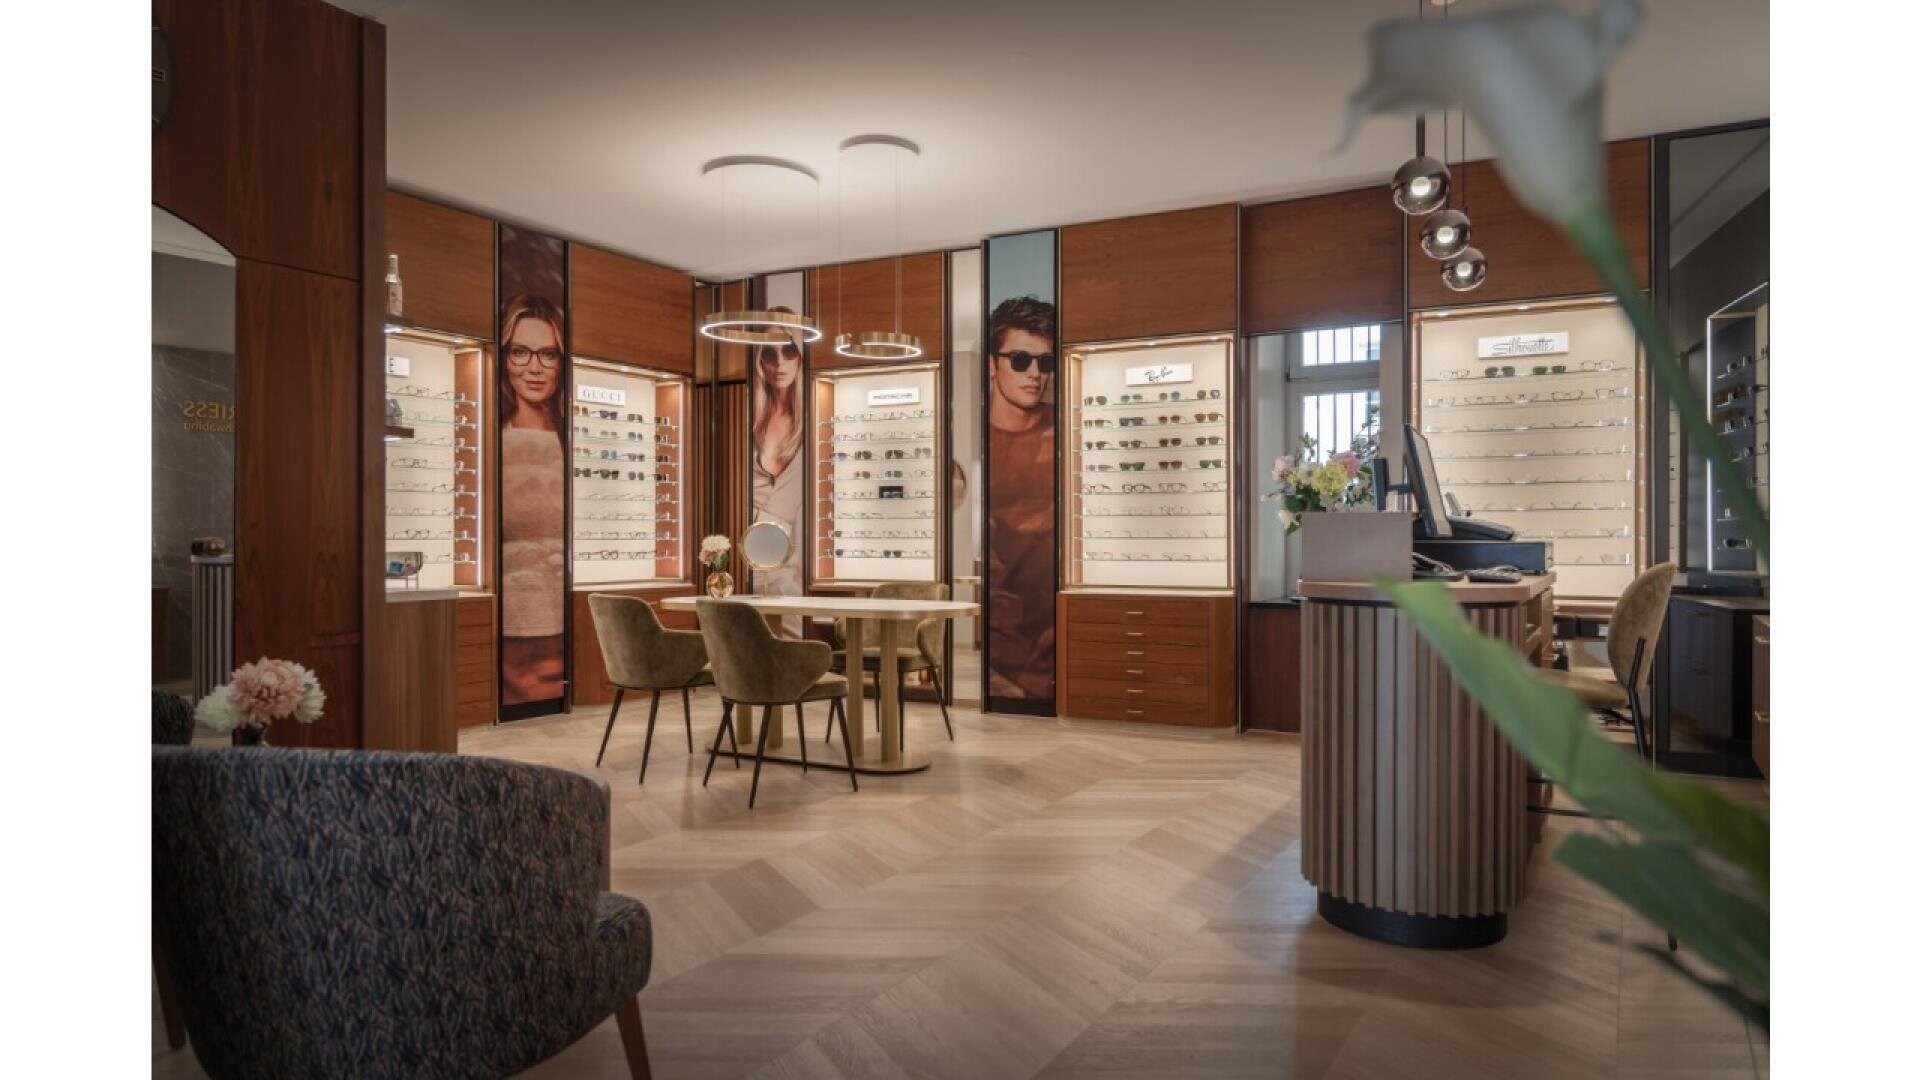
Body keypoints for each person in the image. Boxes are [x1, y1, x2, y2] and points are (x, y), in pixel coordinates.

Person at [984, 296, 1058, 702]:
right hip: (1000, 655)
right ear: (992, 365)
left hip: (1056, 641)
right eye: (1020, 360)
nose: (1034, 374)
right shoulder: (977, 441)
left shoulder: (1064, 436)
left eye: (1045, 363)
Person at [497, 293, 567, 705]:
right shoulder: (493, 440)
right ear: (505, 357)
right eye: (521, 352)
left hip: (564, 603)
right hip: (514, 609)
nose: (535, 368)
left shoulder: (569, 439)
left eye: (548, 354)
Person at [749, 308, 806, 634]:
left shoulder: (814, 420)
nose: (780, 363)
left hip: (791, 557)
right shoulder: (748, 420)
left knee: (793, 636)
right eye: (769, 353)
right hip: (746, 549)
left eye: (789, 351)